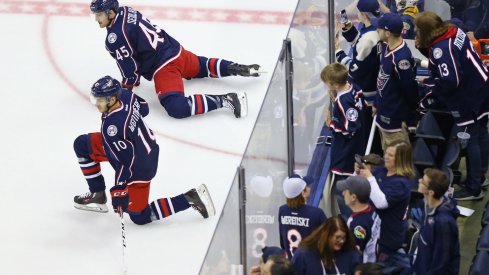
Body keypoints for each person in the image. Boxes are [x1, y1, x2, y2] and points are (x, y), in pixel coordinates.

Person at [73, 76, 215, 225]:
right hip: (140, 146)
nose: (96, 103)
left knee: (139, 216)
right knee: (82, 145)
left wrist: (119, 190)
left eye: (100, 100)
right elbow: (144, 107)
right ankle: (97, 193)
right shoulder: (126, 95)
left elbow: (125, 164)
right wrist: (131, 125)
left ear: (112, 99)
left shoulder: (112, 129)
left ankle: (189, 198)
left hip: (140, 167)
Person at [89, 0, 262, 119]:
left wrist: (125, 90)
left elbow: (129, 69)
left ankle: (227, 99)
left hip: (164, 67)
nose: (97, 19)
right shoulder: (126, 10)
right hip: (175, 50)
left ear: (111, 13)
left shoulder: (114, 37)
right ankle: (235, 68)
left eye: (99, 15)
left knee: (176, 107)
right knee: (201, 66)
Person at [415, 11, 489, 200]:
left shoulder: (440, 48)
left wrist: (432, 87)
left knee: (470, 138)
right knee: (480, 132)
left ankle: (474, 188)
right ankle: (479, 177)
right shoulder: (453, 30)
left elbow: (451, 80)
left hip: (467, 98)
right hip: (482, 85)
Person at [356, 140, 415, 274]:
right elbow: (365, 189)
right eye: (386, 153)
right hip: (373, 234)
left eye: (391, 155)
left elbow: (381, 202)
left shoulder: (401, 183)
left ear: (401, 159)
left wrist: (370, 178)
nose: (386, 157)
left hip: (386, 239)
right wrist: (360, 175)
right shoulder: (382, 171)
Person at [320, 63, 366, 218]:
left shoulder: (343, 101)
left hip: (346, 152)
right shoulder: (352, 84)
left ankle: (351, 222)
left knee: (341, 191)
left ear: (333, 84)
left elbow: (351, 128)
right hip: (358, 144)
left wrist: (331, 124)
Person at [374, 12, 419, 151]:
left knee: (398, 161)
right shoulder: (387, 46)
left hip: (394, 120)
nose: (377, 30)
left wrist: (409, 115)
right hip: (383, 112)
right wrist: (377, 103)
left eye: (379, 29)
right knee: (387, 155)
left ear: (387, 33)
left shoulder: (400, 59)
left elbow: (409, 89)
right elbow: (382, 79)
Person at [413, 168, 460, 274]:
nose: (419, 180)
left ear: (430, 192)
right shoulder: (426, 204)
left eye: (423, 181)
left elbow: (442, 261)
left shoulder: (444, 223)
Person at [336, 0, 381, 106]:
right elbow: (358, 40)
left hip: (366, 94)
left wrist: (338, 51)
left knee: (364, 121)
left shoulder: (368, 39)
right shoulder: (374, 29)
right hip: (373, 84)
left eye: (359, 11)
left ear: (363, 14)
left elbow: (354, 69)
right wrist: (345, 21)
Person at [279, 174, 327, 259]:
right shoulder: (316, 213)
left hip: (290, 265)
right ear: (303, 192)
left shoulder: (282, 210)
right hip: (311, 265)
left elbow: (283, 243)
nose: (310, 188)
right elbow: (327, 241)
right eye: (307, 186)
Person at [292, 216, 362, 275]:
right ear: (327, 235)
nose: (341, 241)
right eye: (338, 237)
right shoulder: (303, 255)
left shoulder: (352, 256)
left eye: (344, 237)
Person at [337, 176, 381, 263]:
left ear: (353, 197)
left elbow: (355, 252)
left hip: (363, 266)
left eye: (345, 191)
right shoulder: (371, 210)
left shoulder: (358, 224)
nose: (342, 194)